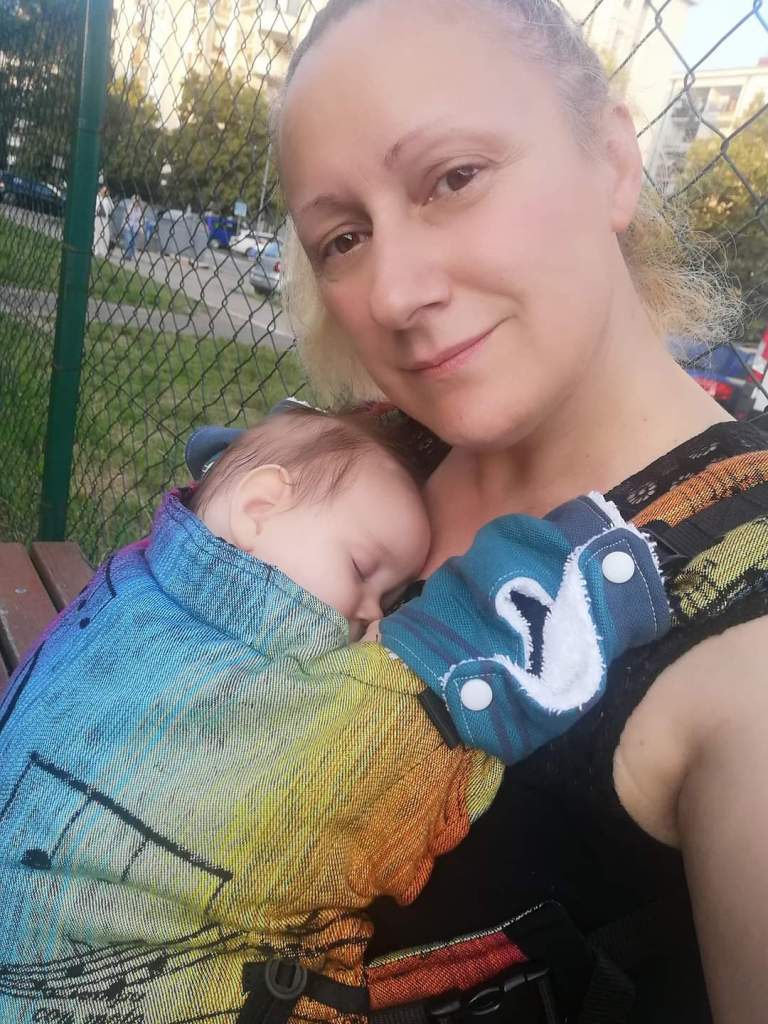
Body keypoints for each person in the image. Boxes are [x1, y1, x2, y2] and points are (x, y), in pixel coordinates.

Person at [273, 1, 768, 1021]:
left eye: (454, 178)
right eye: (343, 238)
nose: (394, 293)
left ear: (614, 160)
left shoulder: (744, 646)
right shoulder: (371, 455)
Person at [0, 404, 669, 1023]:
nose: (374, 615)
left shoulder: (141, 579)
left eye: (393, 596)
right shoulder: (277, 685)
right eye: (362, 568)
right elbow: (402, 719)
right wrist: (577, 565)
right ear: (257, 507)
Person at [93, 184, 113, 259]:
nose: (104, 192)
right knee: (96, 234)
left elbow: (111, 208)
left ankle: (103, 252)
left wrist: (108, 197)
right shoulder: (96, 197)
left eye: (106, 191)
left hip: (104, 219)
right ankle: (96, 251)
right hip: (97, 218)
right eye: (103, 190)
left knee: (105, 235)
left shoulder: (107, 200)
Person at [122, 193, 143, 262]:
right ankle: (127, 254)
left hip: (136, 228)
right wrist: (124, 224)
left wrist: (141, 228)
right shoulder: (129, 207)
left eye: (137, 201)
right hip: (128, 226)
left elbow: (141, 220)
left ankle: (130, 255)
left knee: (133, 242)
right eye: (135, 200)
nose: (136, 202)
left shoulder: (140, 209)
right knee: (129, 240)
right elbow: (125, 216)